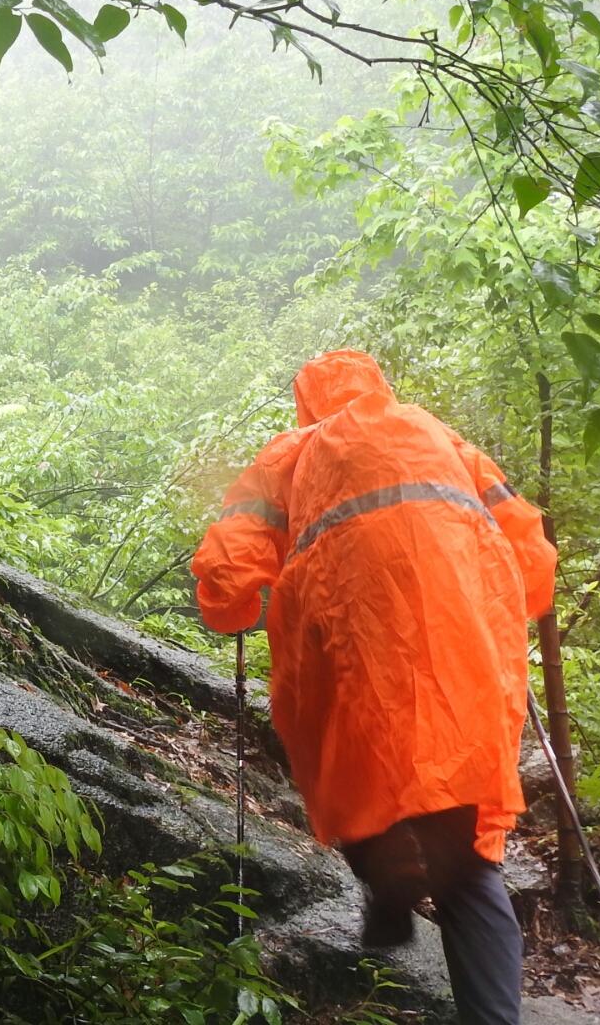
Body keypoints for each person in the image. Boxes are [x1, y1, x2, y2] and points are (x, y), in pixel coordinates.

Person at [191, 350, 556, 1025]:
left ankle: (386, 880)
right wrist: (501, 603)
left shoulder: (293, 453)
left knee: (358, 784)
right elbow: (532, 554)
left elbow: (229, 567)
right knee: (467, 856)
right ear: (380, 388)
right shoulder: (440, 436)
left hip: (349, 656)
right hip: (458, 661)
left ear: (308, 404)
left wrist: (232, 606)